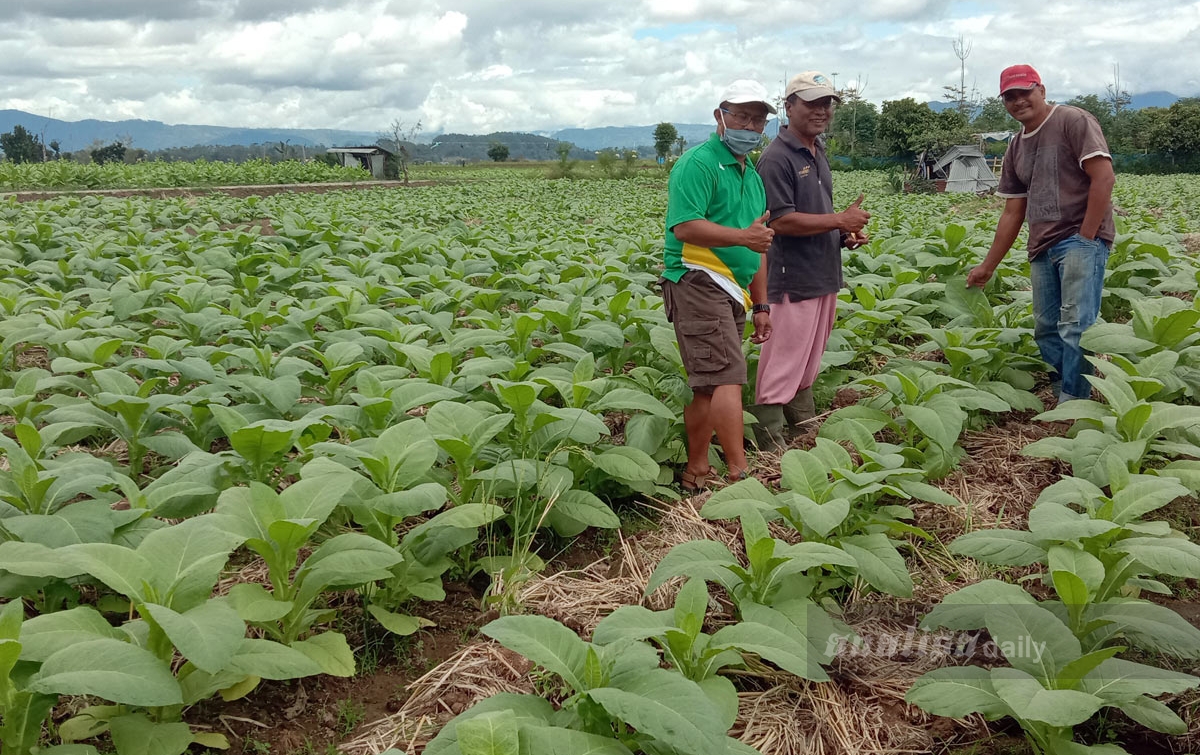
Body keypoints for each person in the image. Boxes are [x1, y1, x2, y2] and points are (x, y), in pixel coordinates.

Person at [966, 64, 1115, 404]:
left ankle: (1074, 403)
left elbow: (1103, 177)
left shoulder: (1072, 121)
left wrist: (1087, 236)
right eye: (1010, 96)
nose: (1018, 101)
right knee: (1047, 328)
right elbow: (1012, 212)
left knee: (1076, 325)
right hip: (1042, 246)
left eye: (1025, 92)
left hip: (1080, 239)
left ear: (1042, 90)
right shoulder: (1016, 146)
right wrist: (988, 266)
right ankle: (1063, 389)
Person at [661, 79, 776, 492]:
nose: (749, 125)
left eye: (758, 119)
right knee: (728, 376)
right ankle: (739, 476)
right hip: (697, 279)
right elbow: (686, 226)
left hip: (733, 288)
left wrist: (762, 305)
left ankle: (696, 472)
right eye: (741, 115)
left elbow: (759, 242)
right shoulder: (698, 164)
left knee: (708, 385)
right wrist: (743, 238)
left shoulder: (751, 173)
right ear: (719, 116)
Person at [751, 71, 870, 453]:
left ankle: (803, 429)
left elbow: (816, 215)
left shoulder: (816, 152)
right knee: (783, 361)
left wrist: (842, 235)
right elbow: (780, 220)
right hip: (791, 279)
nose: (822, 111)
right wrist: (839, 220)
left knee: (808, 360)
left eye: (827, 103)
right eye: (812, 103)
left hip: (822, 273)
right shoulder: (777, 157)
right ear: (789, 107)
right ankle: (770, 445)